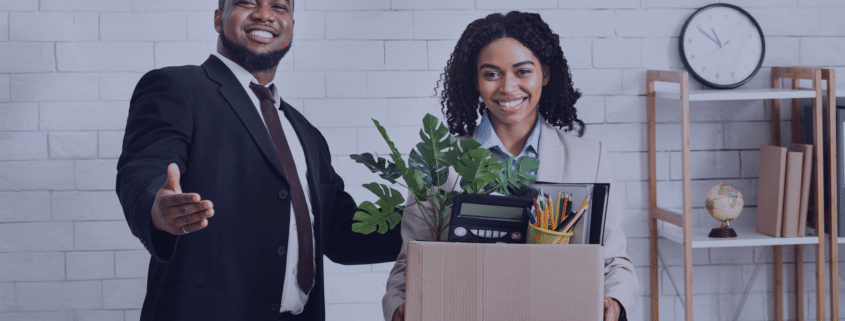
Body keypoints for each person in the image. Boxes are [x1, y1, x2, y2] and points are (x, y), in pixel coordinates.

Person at [115, 0, 402, 320]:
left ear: (292, 23)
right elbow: (145, 167)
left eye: (279, 6)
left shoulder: (305, 133)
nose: (265, 14)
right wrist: (157, 205)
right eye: (246, 2)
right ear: (217, 18)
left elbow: (343, 235)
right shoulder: (177, 87)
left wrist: (432, 222)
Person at [382, 11, 638, 321]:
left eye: (522, 71)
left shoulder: (590, 158)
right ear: (475, 81)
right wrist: (399, 307)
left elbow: (614, 262)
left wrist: (614, 303)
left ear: (544, 74)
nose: (508, 87)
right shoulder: (439, 165)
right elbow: (409, 263)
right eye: (491, 74)